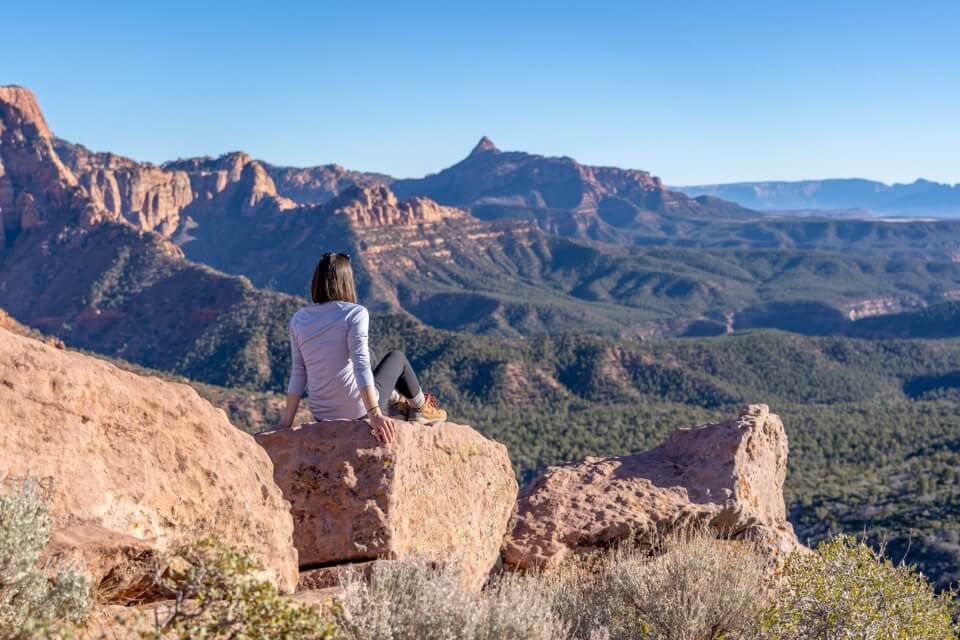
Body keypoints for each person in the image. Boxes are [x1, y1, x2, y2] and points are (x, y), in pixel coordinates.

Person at [274, 252, 447, 442]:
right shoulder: (355, 313)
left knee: (367, 351)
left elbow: (299, 371)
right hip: (358, 411)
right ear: (347, 281)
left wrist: (286, 423)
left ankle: (396, 399)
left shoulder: (298, 319)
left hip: (322, 414)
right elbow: (360, 364)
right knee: (396, 358)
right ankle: (420, 407)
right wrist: (375, 414)